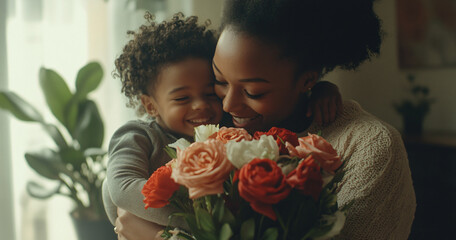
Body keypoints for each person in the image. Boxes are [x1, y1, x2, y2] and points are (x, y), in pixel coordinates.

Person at [103, 11, 343, 240]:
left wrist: (320, 90)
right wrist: (201, 221)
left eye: (210, 93)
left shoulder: (226, 126)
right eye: (182, 99)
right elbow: (122, 187)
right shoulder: (138, 136)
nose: (200, 106)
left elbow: (289, 99)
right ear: (150, 105)